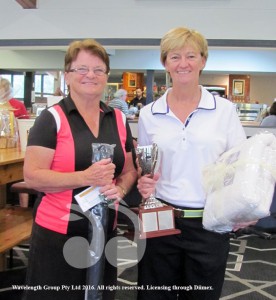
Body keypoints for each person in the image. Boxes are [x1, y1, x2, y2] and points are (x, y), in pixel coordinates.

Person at [136, 27, 256, 300]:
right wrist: (145, 180)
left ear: (203, 60)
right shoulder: (149, 114)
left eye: (191, 55)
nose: (183, 64)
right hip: (161, 217)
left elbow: (239, 165)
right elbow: (146, 162)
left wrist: (245, 206)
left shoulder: (224, 111)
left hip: (210, 222)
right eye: (175, 56)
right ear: (165, 63)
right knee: (155, 294)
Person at [23, 39, 137, 300]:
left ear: (107, 76)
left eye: (98, 70)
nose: (91, 75)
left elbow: (130, 170)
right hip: (59, 233)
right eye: (81, 69)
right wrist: (85, 177)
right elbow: (32, 176)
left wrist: (120, 188)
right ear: (68, 75)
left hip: (105, 230)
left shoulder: (118, 118)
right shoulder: (51, 118)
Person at [0, 78, 30, 207]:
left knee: (22, 177)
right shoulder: (16, 104)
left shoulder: (16, 105)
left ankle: (23, 208)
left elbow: (26, 127)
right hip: (10, 147)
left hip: (15, 147)